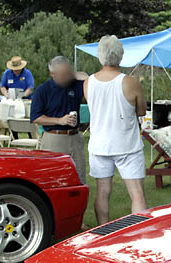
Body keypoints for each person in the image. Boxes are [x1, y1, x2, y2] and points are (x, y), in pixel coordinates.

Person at [84, 35, 148, 225]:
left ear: (100, 55)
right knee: (136, 193)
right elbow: (142, 110)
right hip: (126, 144)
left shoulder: (88, 82)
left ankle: (103, 231)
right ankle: (140, 231)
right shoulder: (130, 82)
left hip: (99, 144)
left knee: (103, 192)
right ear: (120, 56)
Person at [30, 56, 89, 184]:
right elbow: (36, 117)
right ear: (53, 74)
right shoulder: (43, 90)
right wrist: (59, 121)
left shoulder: (75, 85)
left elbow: (88, 79)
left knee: (79, 178)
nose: (66, 77)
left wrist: (73, 74)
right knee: (53, 178)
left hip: (75, 137)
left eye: (68, 72)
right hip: (54, 138)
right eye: (63, 74)